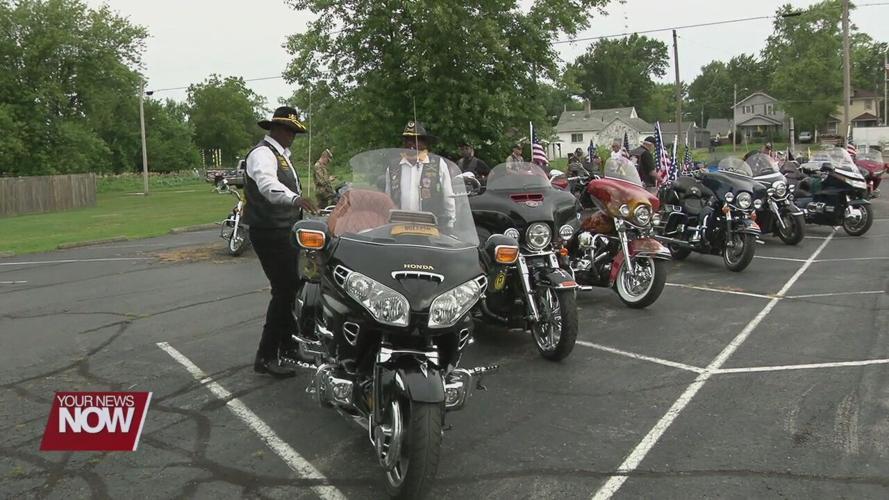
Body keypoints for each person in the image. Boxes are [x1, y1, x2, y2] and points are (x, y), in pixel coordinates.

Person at [243, 106, 317, 378]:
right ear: (275, 129)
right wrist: (295, 199)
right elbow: (267, 185)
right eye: (289, 130)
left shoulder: (283, 155)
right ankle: (266, 355)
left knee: (293, 287)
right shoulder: (262, 154)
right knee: (283, 290)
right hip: (269, 230)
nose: (292, 136)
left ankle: (287, 345)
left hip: (285, 229)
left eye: (295, 132)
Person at [386, 121, 456, 226]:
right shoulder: (393, 166)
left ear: (424, 143)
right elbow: (388, 198)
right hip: (399, 226)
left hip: (431, 227)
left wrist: (450, 224)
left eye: (415, 140)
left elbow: (448, 197)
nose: (411, 144)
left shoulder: (437, 164)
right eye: (408, 140)